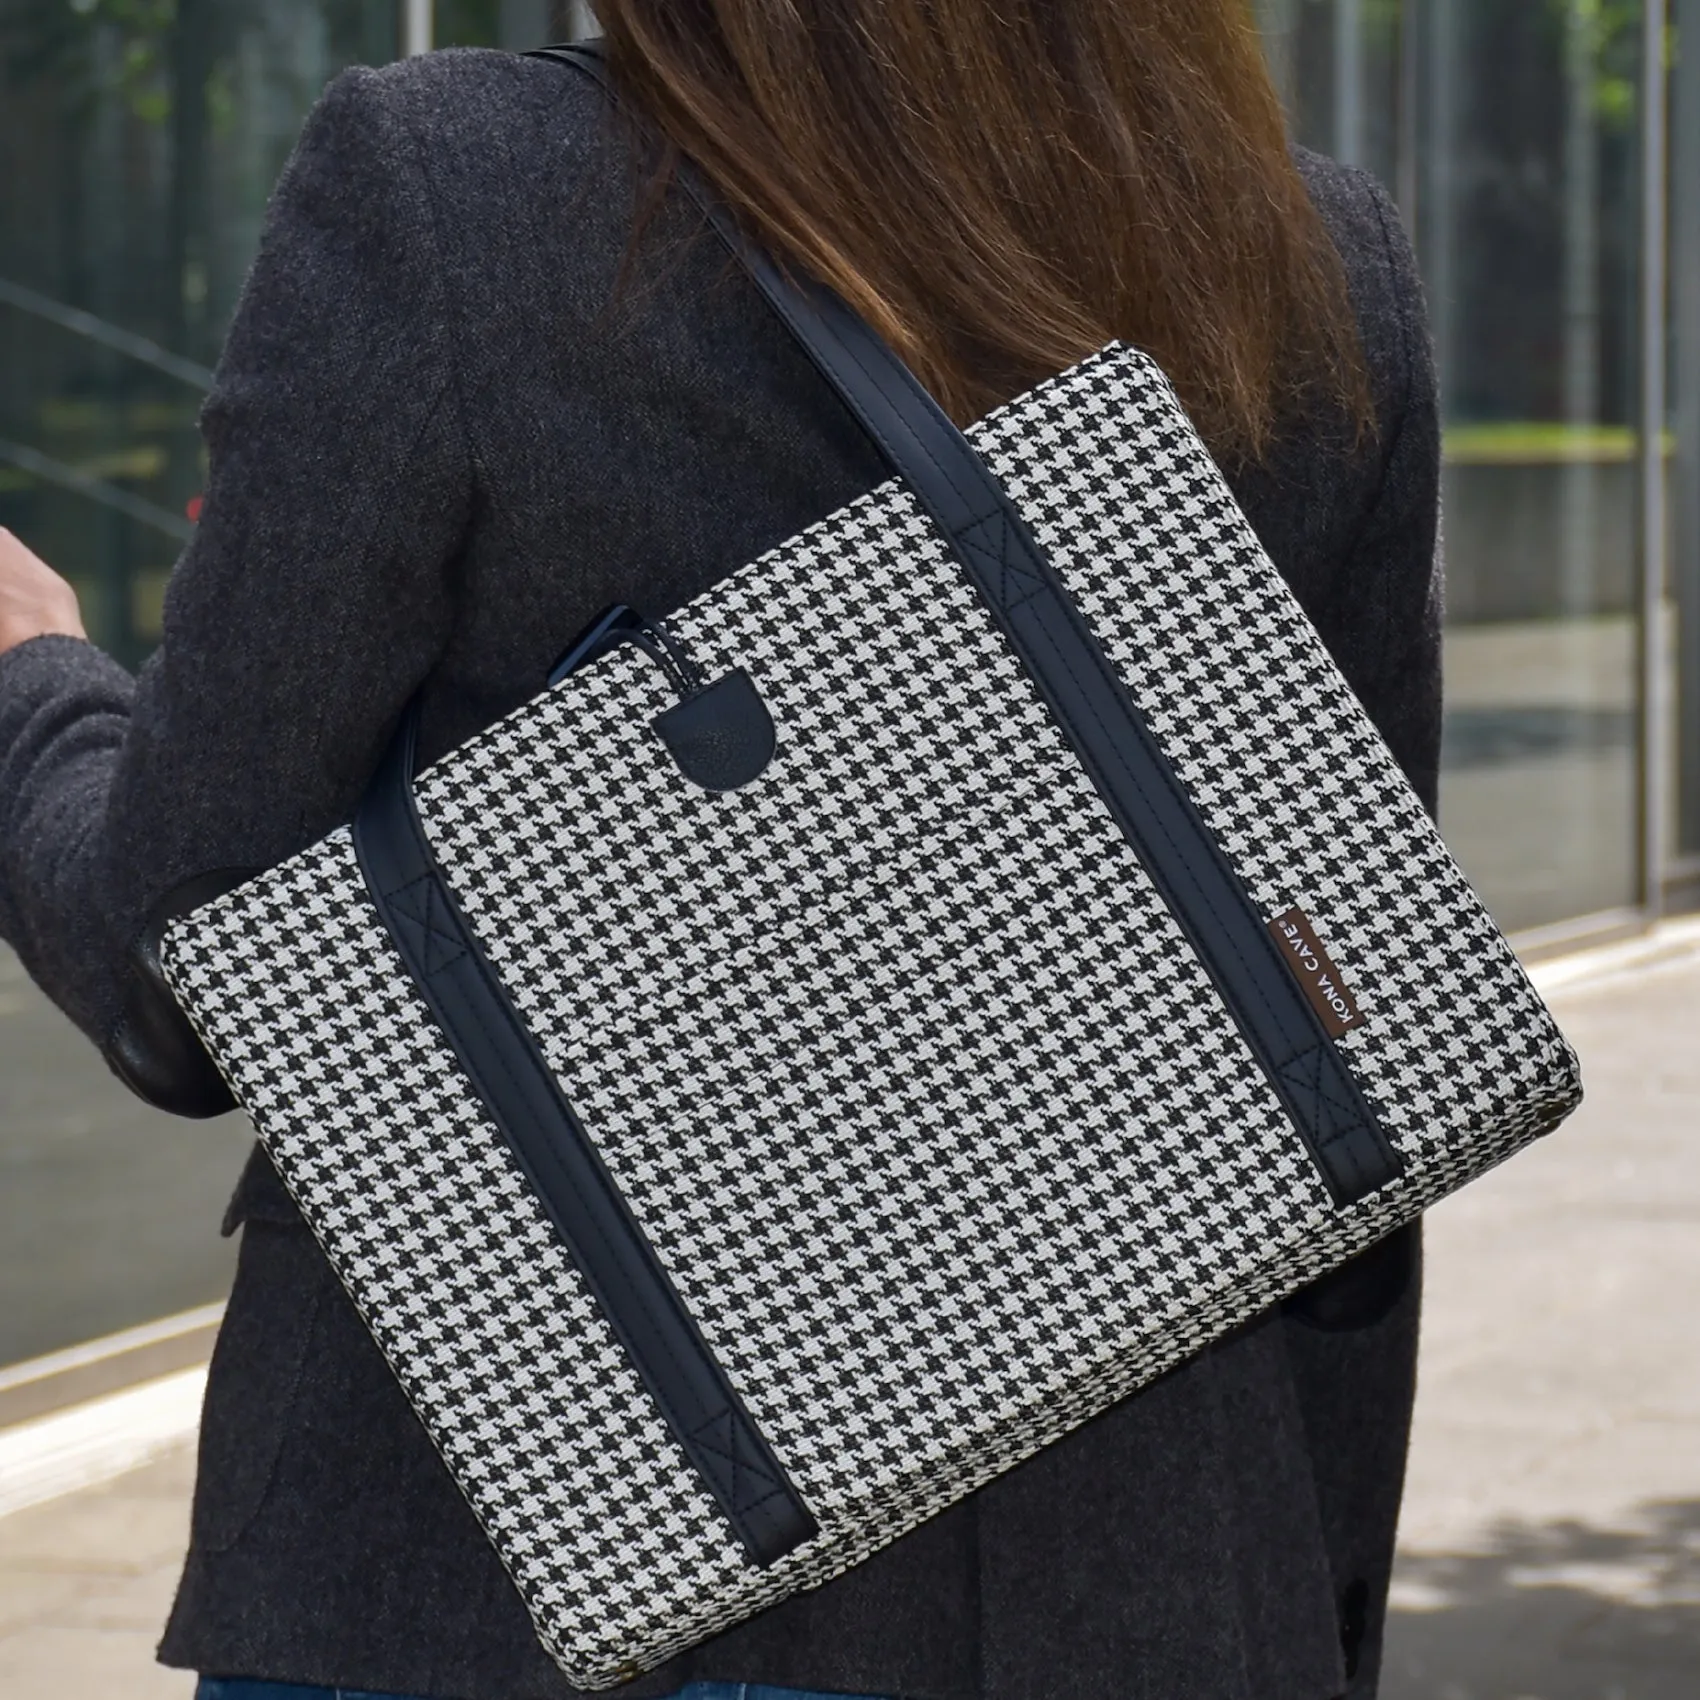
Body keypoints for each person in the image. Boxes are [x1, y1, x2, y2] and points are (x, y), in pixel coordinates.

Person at [0, 3, 1439, 1698]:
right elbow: (1339, 1062)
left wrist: (34, 686)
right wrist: (1313, 1605)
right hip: (1151, 1589)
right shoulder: (1308, 259)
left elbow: (187, 967)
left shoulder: (451, 191)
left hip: (479, 1571)